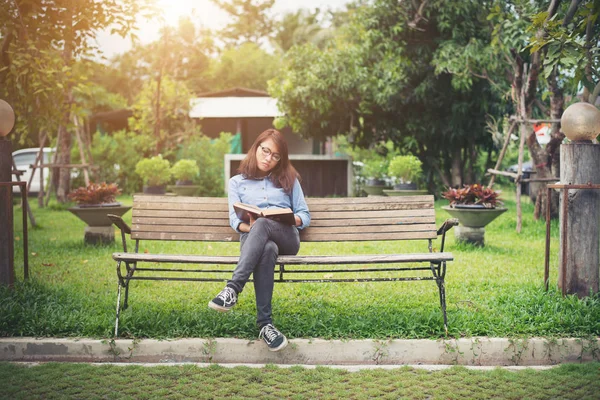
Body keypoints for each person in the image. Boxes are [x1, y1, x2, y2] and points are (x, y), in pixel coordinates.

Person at [208, 129, 310, 352]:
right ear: (255, 148)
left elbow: (304, 215)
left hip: (287, 238)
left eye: (275, 156)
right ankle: (266, 325)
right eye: (265, 151)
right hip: (255, 240)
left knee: (265, 226)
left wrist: (283, 216)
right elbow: (235, 221)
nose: (268, 158)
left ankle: (233, 289)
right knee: (267, 247)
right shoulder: (237, 182)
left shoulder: (289, 180)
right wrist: (251, 226)